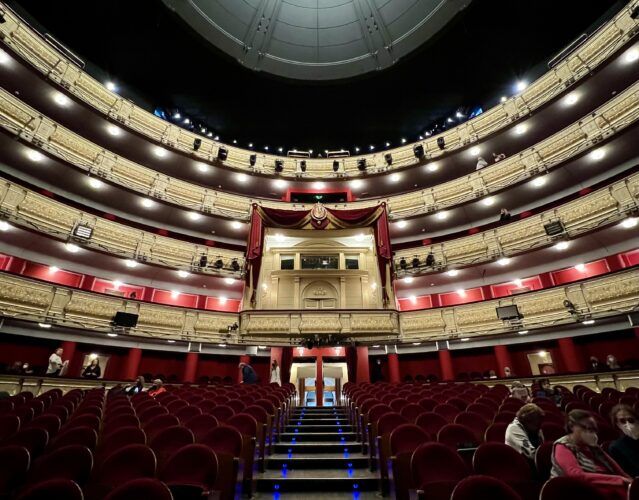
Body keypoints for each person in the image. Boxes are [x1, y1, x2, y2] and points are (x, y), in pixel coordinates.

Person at [551, 409, 631, 500]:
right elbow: (576, 475)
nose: (592, 433)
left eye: (594, 429)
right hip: (579, 490)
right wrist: (617, 480)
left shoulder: (591, 445)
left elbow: (614, 467)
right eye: (588, 428)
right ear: (571, 426)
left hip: (605, 485)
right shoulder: (562, 445)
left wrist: (628, 479)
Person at [608, 404, 639, 477]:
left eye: (630, 420)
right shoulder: (616, 447)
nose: (627, 424)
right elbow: (627, 474)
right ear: (617, 424)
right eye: (622, 421)